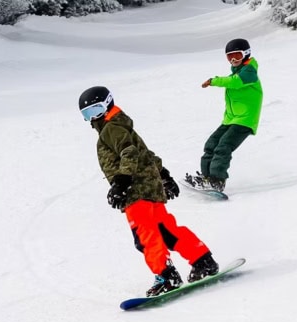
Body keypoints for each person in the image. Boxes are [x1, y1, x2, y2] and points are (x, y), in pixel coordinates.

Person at [78, 86, 220, 296]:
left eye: (97, 111)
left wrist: (121, 181)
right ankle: (203, 260)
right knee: (167, 232)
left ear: (108, 104)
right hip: (150, 189)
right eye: (87, 114)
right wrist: (163, 175)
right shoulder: (123, 126)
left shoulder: (111, 129)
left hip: (135, 192)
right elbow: (145, 153)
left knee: (146, 237)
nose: (93, 118)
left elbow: (129, 152)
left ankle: (166, 276)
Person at [186, 38, 263, 192]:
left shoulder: (249, 72)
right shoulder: (238, 71)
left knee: (223, 147)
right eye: (229, 57)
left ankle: (218, 180)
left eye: (237, 56)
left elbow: (234, 82)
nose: (233, 60)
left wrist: (214, 81)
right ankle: (206, 177)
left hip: (245, 120)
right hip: (231, 119)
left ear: (246, 54)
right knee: (211, 144)